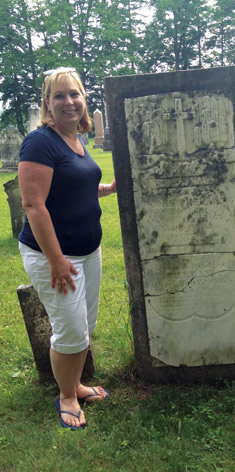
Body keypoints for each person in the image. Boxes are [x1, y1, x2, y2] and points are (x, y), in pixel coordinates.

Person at [18, 67, 116, 429]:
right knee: (71, 329)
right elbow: (33, 204)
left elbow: (73, 187)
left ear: (84, 100)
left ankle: (75, 383)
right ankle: (67, 396)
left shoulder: (76, 138)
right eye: (59, 96)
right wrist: (56, 260)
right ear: (47, 103)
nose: (69, 102)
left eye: (75, 94)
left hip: (89, 249)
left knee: (84, 324)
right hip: (54, 255)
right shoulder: (40, 142)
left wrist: (107, 189)